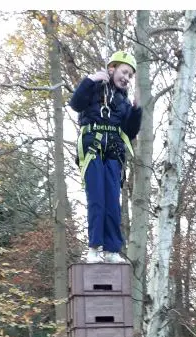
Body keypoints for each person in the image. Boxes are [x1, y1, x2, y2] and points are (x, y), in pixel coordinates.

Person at [68, 51, 142, 263]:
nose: (126, 78)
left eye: (130, 75)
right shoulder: (94, 89)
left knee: (112, 200)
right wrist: (90, 80)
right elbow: (76, 104)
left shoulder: (123, 102)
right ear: (112, 69)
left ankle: (111, 250)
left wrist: (136, 111)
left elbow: (130, 131)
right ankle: (94, 247)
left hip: (114, 152)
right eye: (124, 72)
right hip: (92, 147)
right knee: (97, 198)